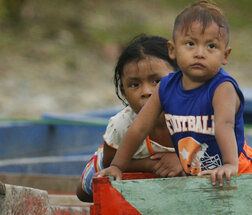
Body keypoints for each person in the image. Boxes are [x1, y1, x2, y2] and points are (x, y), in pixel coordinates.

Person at [97, 0, 252, 187]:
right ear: (173, 50)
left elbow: (225, 124)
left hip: (236, 171)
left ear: (225, 56)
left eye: (211, 46)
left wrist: (230, 164)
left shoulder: (222, 88)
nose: (200, 53)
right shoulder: (166, 87)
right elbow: (140, 127)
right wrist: (117, 165)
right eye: (190, 43)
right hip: (198, 174)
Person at [76, 34, 182, 202]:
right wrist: (150, 165)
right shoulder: (122, 126)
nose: (146, 91)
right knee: (87, 192)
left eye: (156, 81)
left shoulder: (196, 118)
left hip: (182, 168)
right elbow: (112, 163)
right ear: (124, 91)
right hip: (123, 159)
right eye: (134, 85)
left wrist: (184, 162)